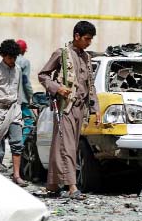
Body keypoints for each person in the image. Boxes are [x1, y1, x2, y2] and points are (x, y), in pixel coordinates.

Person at [38, 21, 100, 199]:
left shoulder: (86, 57)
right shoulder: (62, 53)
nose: (89, 43)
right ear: (77, 36)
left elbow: (90, 85)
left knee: (61, 146)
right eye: (87, 39)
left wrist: (95, 109)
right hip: (66, 107)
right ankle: (72, 187)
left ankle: (52, 184)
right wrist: (57, 88)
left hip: (81, 109)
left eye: (91, 40)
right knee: (67, 146)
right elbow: (43, 75)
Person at [0, 39, 27, 187]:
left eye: (15, 57)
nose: (12, 60)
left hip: (14, 110)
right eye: (10, 57)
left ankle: (16, 175)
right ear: (3, 55)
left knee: (17, 142)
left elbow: (19, 89)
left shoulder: (18, 70)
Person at [15, 39, 34, 144]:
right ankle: (20, 146)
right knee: (29, 121)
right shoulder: (24, 62)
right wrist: (31, 95)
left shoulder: (10, 60)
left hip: (11, 98)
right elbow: (25, 81)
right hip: (22, 99)